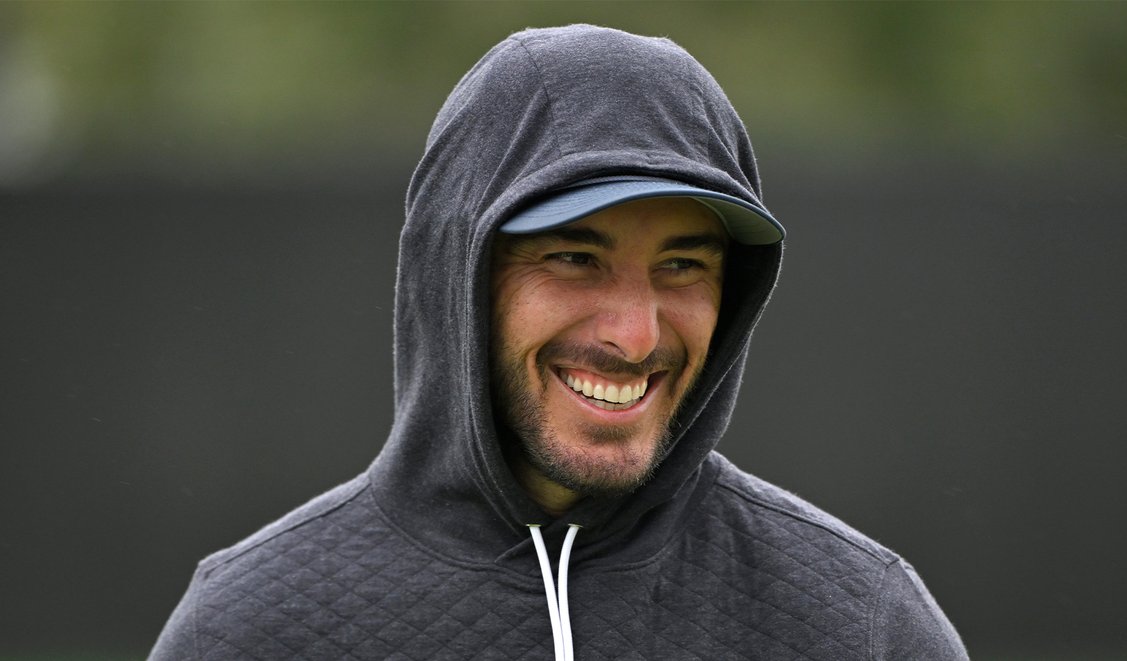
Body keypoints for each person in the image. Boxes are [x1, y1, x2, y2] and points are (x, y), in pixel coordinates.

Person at [150, 25, 967, 659]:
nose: (636, 334)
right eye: (575, 258)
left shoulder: (863, 624)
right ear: (458, 272)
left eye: (683, 265)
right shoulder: (245, 631)